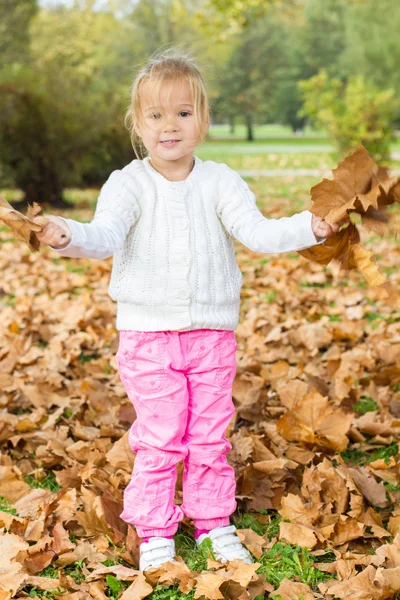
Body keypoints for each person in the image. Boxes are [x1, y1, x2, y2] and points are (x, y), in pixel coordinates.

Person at [34, 50, 344, 571]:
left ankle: (212, 521)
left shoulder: (219, 181)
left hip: (211, 336)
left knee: (208, 435)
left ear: (203, 118)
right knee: (160, 435)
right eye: (156, 115)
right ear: (138, 124)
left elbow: (257, 231)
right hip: (147, 337)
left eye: (182, 112)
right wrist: (67, 236)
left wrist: (306, 227)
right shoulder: (128, 183)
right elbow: (104, 235)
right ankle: (155, 526)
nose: (169, 126)